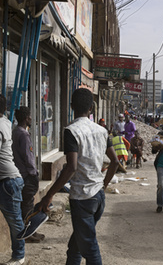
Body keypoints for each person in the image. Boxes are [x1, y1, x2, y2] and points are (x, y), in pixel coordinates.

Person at [37, 88, 119, 265]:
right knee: (76, 244)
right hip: (98, 196)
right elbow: (115, 162)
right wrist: (104, 185)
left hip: (83, 197)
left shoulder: (71, 131)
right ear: (91, 108)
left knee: (90, 248)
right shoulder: (102, 131)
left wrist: (49, 195)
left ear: (71, 106)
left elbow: (71, 167)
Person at [12, 106, 45, 243]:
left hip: (19, 173)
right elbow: (28, 157)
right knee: (27, 204)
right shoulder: (23, 134)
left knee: (25, 204)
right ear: (26, 118)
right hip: (27, 174)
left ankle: (30, 231)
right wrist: (34, 173)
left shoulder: (15, 132)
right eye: (30, 116)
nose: (31, 118)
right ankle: (28, 232)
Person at [0, 95, 26, 264]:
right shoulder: (6, 122)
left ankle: (19, 255)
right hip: (8, 180)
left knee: (15, 221)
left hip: (8, 181)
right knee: (14, 220)